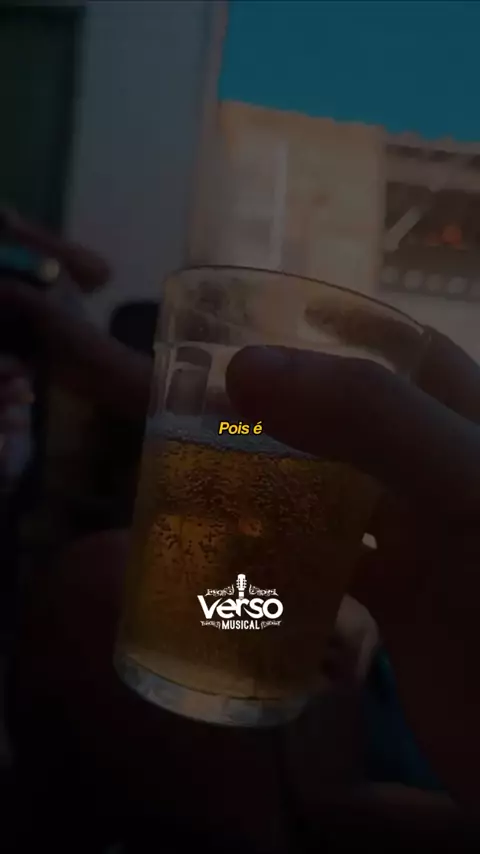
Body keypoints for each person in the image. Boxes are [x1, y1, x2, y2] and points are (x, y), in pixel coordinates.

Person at [2, 278, 480, 848]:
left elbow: (340, 805)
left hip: (344, 758)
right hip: (369, 697)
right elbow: (241, 433)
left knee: (103, 587)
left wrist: (329, 792)